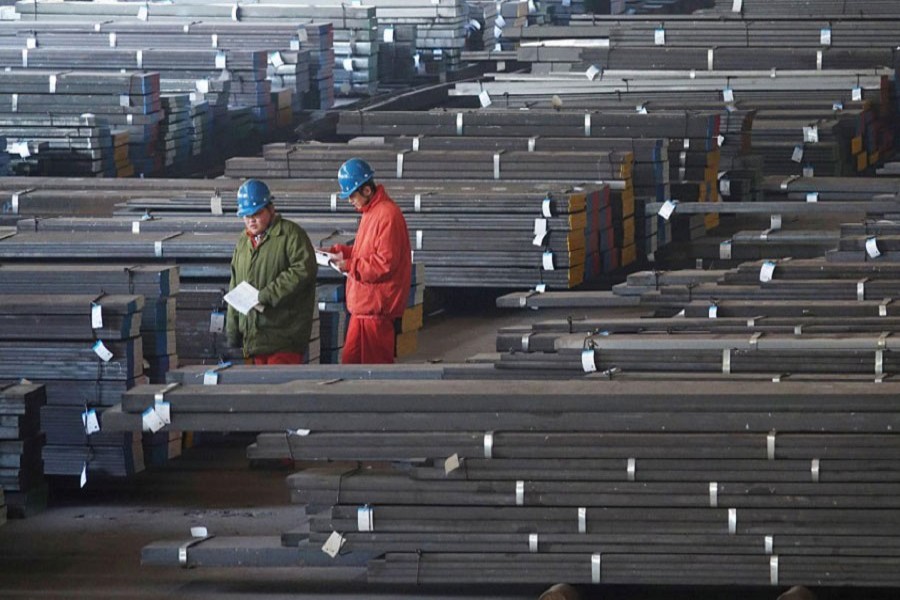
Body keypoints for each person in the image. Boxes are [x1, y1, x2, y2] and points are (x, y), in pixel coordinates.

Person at [327, 158, 412, 364]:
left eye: (352, 195)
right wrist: (339, 253)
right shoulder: (371, 213)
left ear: (366, 190)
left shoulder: (387, 215)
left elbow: (384, 264)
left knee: (375, 377)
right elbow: (365, 251)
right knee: (351, 369)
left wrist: (349, 266)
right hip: (363, 309)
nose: (350, 201)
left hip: (376, 311)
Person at [226, 179, 317, 364]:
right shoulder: (243, 242)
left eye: (257, 213)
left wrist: (266, 295)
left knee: (278, 391)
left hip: (283, 339)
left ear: (271, 209)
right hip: (253, 341)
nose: (251, 220)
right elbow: (235, 285)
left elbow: (303, 271)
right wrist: (233, 331)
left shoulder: (291, 235)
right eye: (246, 215)